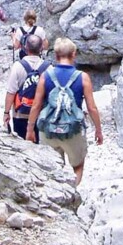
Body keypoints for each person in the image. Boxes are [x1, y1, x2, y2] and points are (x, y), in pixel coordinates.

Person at [26, 37, 103, 185]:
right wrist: (98, 130)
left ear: (56, 56)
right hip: (73, 130)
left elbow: (36, 105)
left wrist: (30, 129)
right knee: (78, 166)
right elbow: (92, 108)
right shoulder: (83, 77)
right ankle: (72, 191)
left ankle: (57, 194)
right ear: (74, 54)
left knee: (52, 168)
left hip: (48, 129)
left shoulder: (46, 75)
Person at [3, 33, 47, 142]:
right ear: (41, 48)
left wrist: (6, 112)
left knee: (23, 148)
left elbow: (11, 92)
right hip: (41, 115)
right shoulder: (49, 68)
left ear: (25, 48)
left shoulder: (18, 66)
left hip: (20, 114)